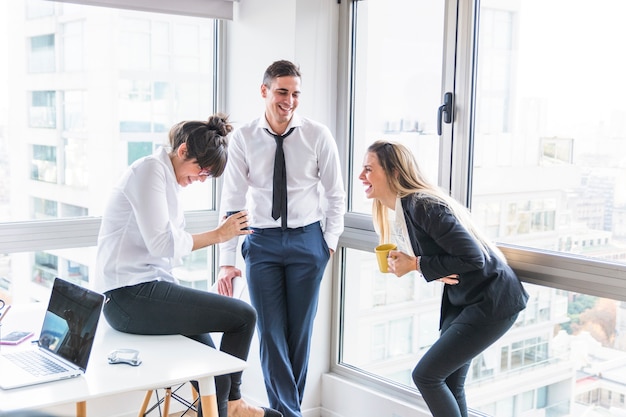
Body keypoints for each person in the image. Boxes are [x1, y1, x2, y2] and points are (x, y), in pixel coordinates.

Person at [94, 114, 282, 417]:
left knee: (212, 365)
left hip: (145, 290)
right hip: (126, 297)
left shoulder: (167, 179)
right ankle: (234, 406)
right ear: (182, 151)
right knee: (244, 316)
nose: (201, 178)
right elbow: (163, 245)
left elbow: (166, 248)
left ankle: (225, 406)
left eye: (207, 175)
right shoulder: (149, 172)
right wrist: (220, 235)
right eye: (201, 169)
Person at [359, 140, 529, 417]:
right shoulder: (406, 209)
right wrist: (417, 264)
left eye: (368, 169)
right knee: (449, 381)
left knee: (426, 376)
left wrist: (415, 264)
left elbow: (474, 258)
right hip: (466, 299)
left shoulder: (423, 206)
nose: (361, 176)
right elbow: (454, 257)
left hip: (492, 300)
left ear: (394, 174)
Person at [217, 60, 346, 417]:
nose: (289, 101)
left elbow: (336, 195)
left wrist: (328, 243)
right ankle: (291, 414)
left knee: (298, 337)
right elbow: (232, 202)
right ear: (265, 91)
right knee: (270, 334)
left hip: (309, 242)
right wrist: (227, 260)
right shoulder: (244, 137)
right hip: (262, 243)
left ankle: (284, 411)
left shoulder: (318, 135)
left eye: (295, 94)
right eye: (282, 92)